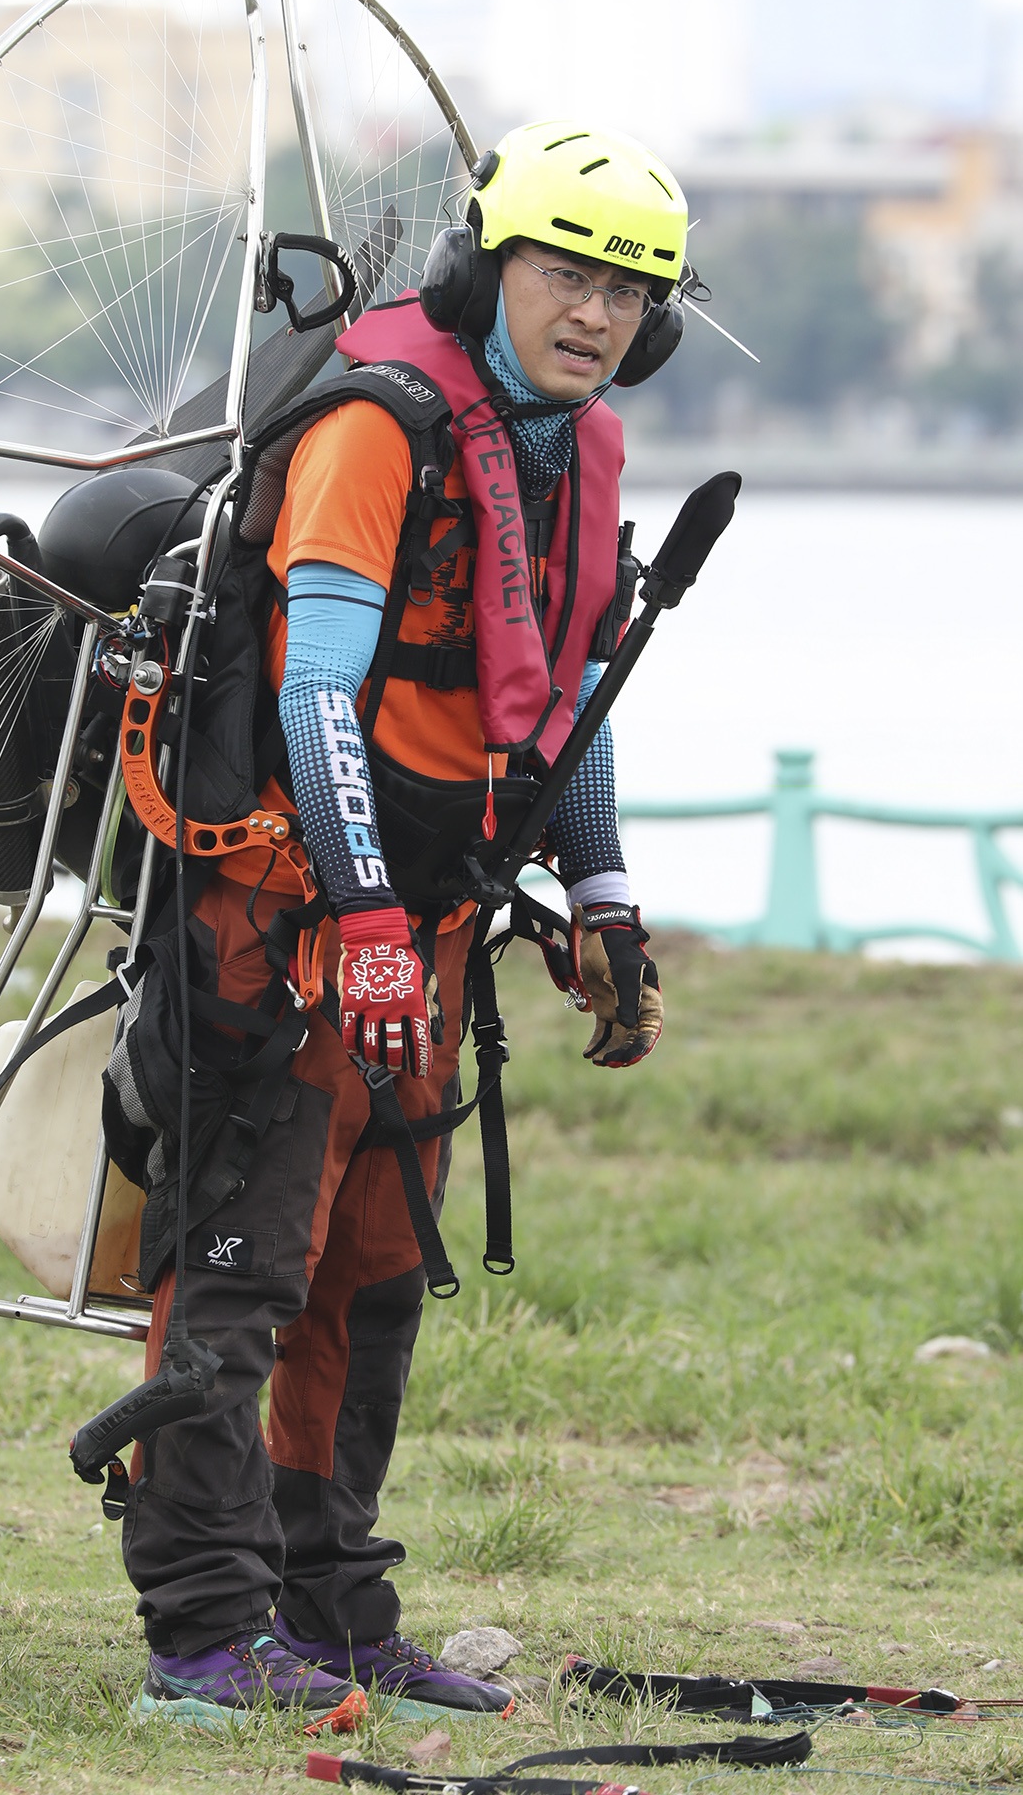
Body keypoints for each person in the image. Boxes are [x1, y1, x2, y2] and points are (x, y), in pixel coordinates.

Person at [123, 121, 686, 1730]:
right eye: (567, 272)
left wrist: (602, 897)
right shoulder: (376, 429)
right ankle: (203, 1637)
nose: (594, 314)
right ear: (489, 261)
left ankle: (336, 1612)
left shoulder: (575, 453)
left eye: (628, 295)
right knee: (244, 1261)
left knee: (374, 1270)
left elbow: (558, 702)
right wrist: (362, 911)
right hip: (287, 915)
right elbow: (316, 687)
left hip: (424, 927)